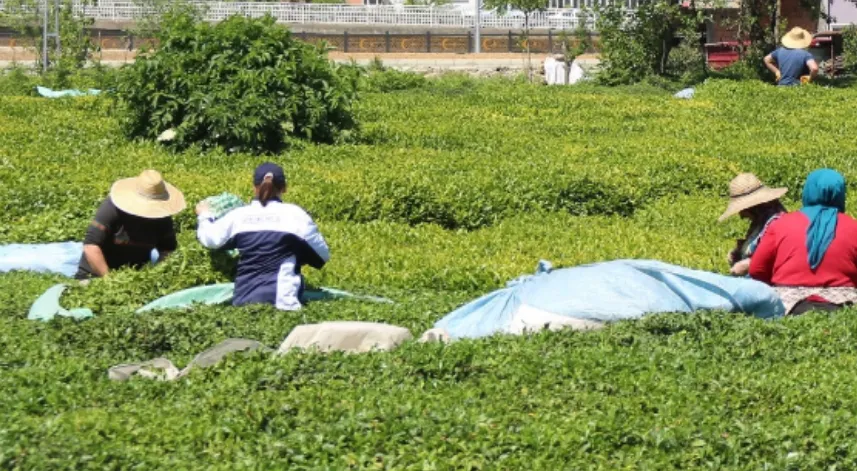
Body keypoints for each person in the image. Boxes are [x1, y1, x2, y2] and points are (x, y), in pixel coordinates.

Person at [195, 162, 330, 311]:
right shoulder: (296, 215)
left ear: (254, 187)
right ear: (284, 188)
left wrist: (204, 215)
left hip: (244, 303)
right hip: (284, 305)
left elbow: (209, 239)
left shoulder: (238, 216)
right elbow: (322, 256)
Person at [750, 169, 857, 315]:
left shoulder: (781, 224)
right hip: (844, 304)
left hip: (788, 304)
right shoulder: (853, 227)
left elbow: (757, 270)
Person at [76, 170, 185, 279]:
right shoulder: (111, 209)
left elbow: (168, 249)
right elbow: (91, 246)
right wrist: (109, 280)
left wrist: (155, 274)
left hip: (134, 276)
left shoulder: (162, 218)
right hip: (96, 275)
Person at [719, 173, 788, 277]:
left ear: (753, 207)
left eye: (742, 210)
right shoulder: (760, 221)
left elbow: (780, 259)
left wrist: (750, 264)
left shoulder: (777, 223)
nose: (741, 215)